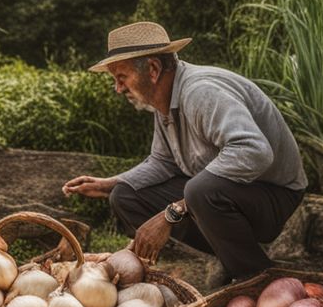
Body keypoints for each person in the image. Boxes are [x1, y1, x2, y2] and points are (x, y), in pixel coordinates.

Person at [62, 21, 307, 283]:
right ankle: (229, 255)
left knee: (198, 191)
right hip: (226, 192)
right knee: (125, 195)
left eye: (121, 77)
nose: (118, 88)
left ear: (153, 69)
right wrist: (108, 184)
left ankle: (257, 277)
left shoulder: (201, 92)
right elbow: (163, 161)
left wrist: (172, 213)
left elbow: (254, 151)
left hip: (273, 194)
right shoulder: (164, 101)